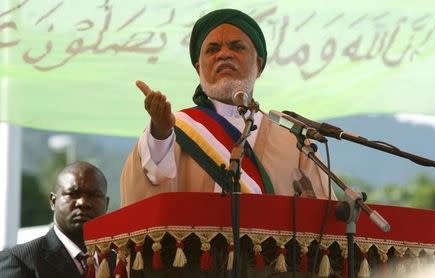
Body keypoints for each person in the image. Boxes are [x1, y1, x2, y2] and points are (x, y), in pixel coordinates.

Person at [120, 8, 335, 206]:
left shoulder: (292, 139)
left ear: (258, 65)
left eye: (236, 47)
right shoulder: (176, 128)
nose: (223, 54)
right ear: (198, 68)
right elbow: (151, 183)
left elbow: (322, 214)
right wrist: (160, 133)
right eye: (212, 49)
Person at [0, 161, 109, 278]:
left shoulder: (122, 262)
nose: (83, 202)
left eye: (93, 195)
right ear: (53, 201)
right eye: (73, 193)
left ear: (106, 204)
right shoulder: (18, 261)